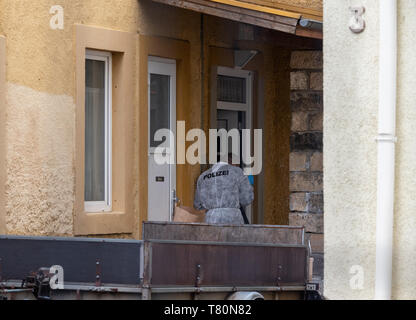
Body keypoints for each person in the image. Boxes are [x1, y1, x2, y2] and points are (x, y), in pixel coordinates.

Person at [194, 153, 254, 225]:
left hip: (210, 220)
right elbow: (247, 198)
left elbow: (197, 205)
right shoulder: (237, 171)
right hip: (233, 219)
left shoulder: (203, 176)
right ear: (234, 163)